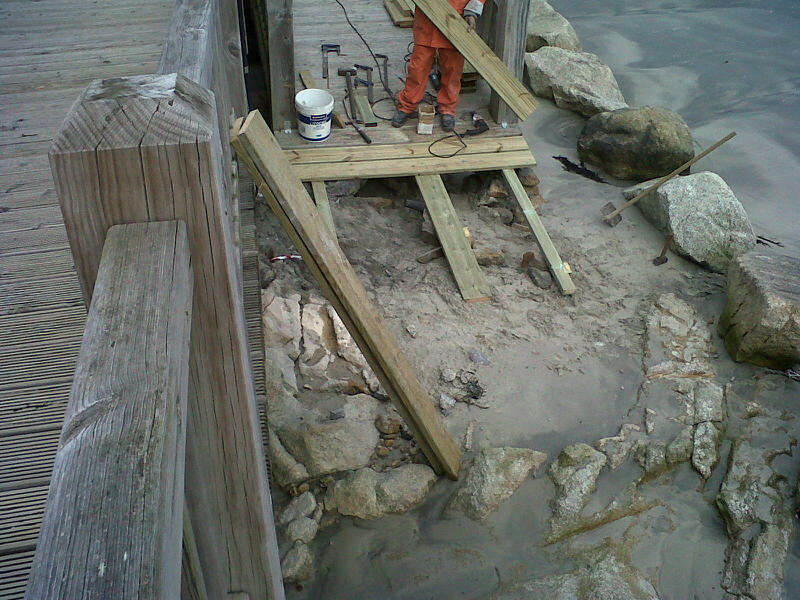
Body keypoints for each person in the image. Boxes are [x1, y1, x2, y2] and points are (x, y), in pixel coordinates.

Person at [392, 0, 485, 131]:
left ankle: (448, 109)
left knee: (453, 70)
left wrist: (472, 11)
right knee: (418, 68)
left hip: (456, 18)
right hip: (427, 17)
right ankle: (407, 106)